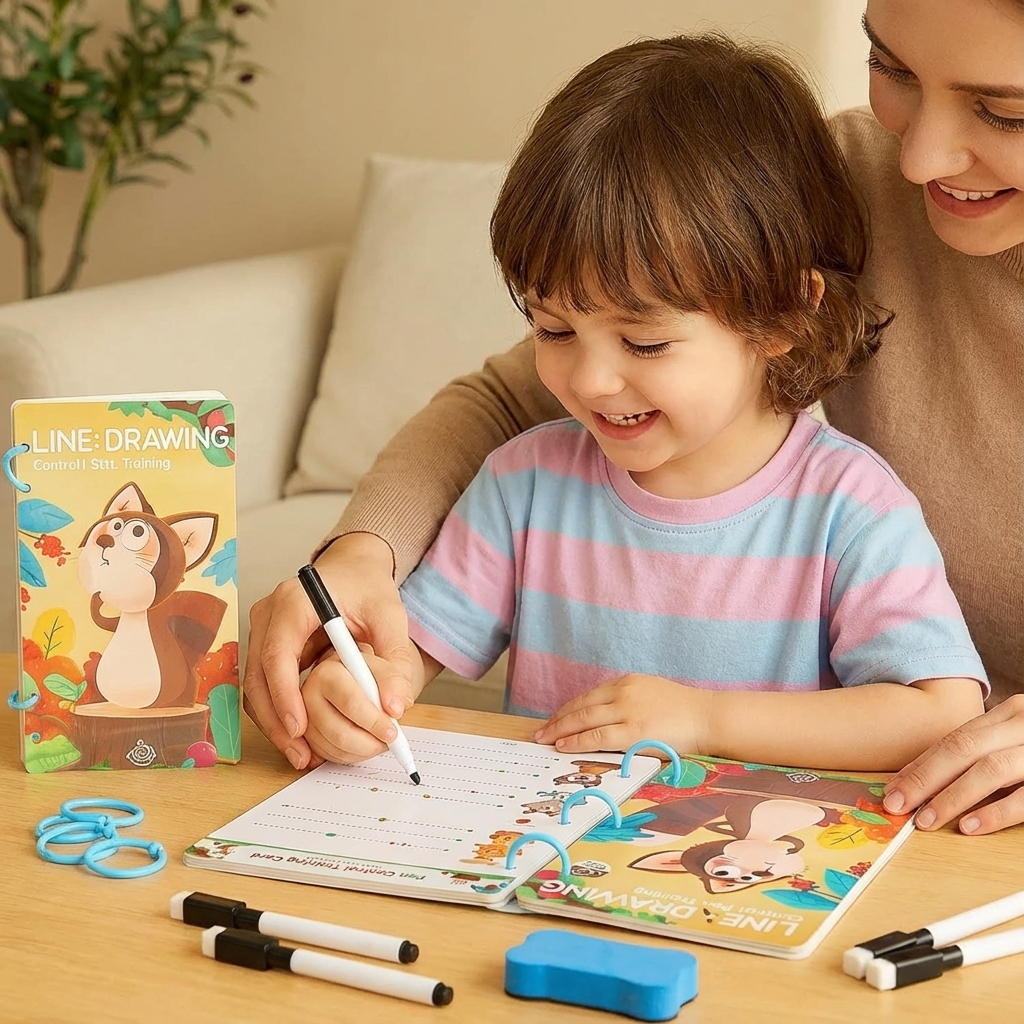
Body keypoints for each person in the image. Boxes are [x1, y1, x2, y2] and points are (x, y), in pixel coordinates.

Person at [245, 1, 1023, 828]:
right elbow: (497, 425)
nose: (593, 380)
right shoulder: (531, 479)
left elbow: (934, 707)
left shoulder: (850, 505)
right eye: (891, 67)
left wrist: (707, 720)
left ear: (789, 312)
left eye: (1005, 110)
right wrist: (354, 642)